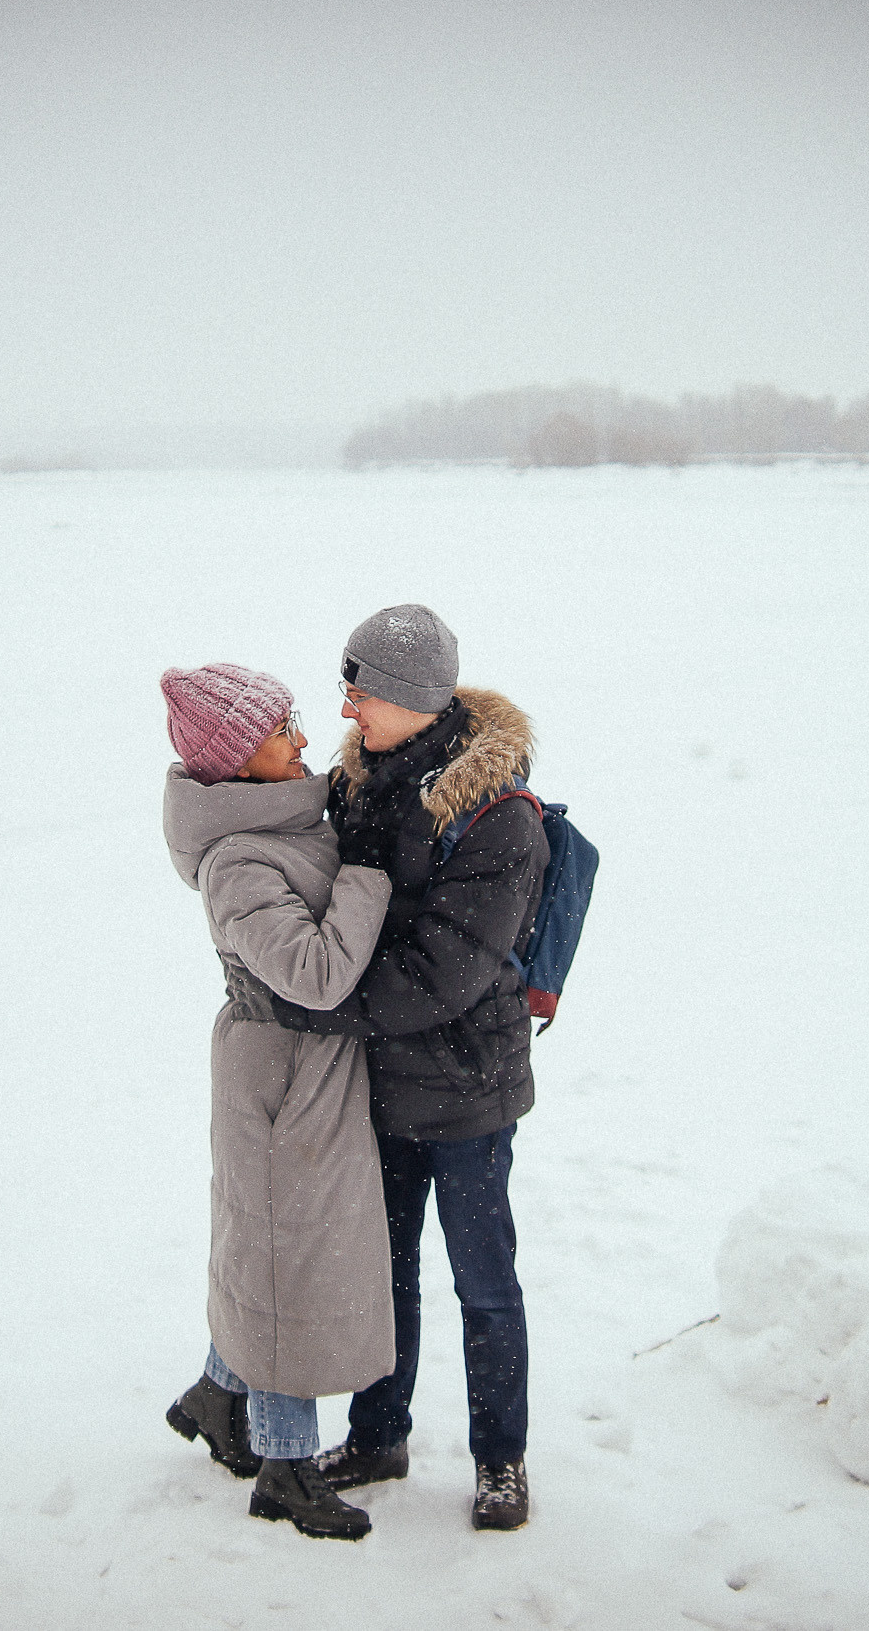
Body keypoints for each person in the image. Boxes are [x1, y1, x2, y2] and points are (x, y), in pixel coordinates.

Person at [270, 605, 549, 1532]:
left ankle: (499, 1459)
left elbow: (443, 971)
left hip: (469, 1089)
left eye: (359, 691)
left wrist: (309, 1000)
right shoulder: (359, 786)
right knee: (381, 1272)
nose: (345, 710)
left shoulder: (497, 816)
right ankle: (379, 1431)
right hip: (382, 1083)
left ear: (410, 697)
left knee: (484, 1281)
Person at [158, 662, 397, 1542]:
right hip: (281, 1075)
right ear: (233, 761)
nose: (302, 737)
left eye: (296, 717)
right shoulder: (237, 860)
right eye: (282, 728)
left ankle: (217, 1396)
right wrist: (369, 876)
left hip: (306, 1070)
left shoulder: (285, 816)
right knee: (285, 1260)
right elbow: (318, 973)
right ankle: (286, 1470)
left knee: (267, 1247)